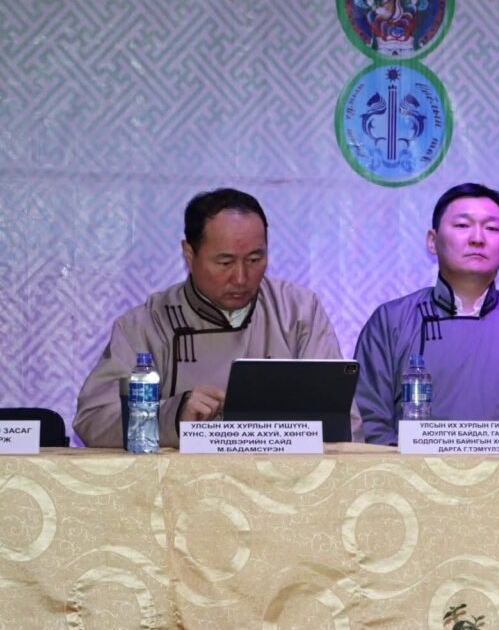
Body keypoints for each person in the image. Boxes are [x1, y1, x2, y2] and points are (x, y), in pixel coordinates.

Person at [74, 188, 361, 447]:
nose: (241, 277)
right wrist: (172, 416)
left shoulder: (297, 311)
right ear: (189, 254)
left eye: (254, 260)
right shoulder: (147, 325)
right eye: (225, 262)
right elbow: (94, 419)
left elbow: (344, 422)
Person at [354, 182, 499, 447]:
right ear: (432, 241)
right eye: (463, 225)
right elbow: (368, 422)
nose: (477, 238)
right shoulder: (390, 321)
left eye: (492, 228)